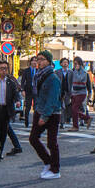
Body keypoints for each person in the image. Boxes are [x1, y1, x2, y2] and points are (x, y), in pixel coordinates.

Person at [28, 51, 62, 179]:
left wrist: (45, 116)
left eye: (42, 59)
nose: (39, 62)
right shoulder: (38, 75)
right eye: (38, 59)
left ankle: (55, 170)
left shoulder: (53, 78)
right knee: (33, 138)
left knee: (52, 142)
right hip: (39, 109)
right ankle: (48, 162)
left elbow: (52, 99)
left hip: (52, 113)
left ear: (48, 61)